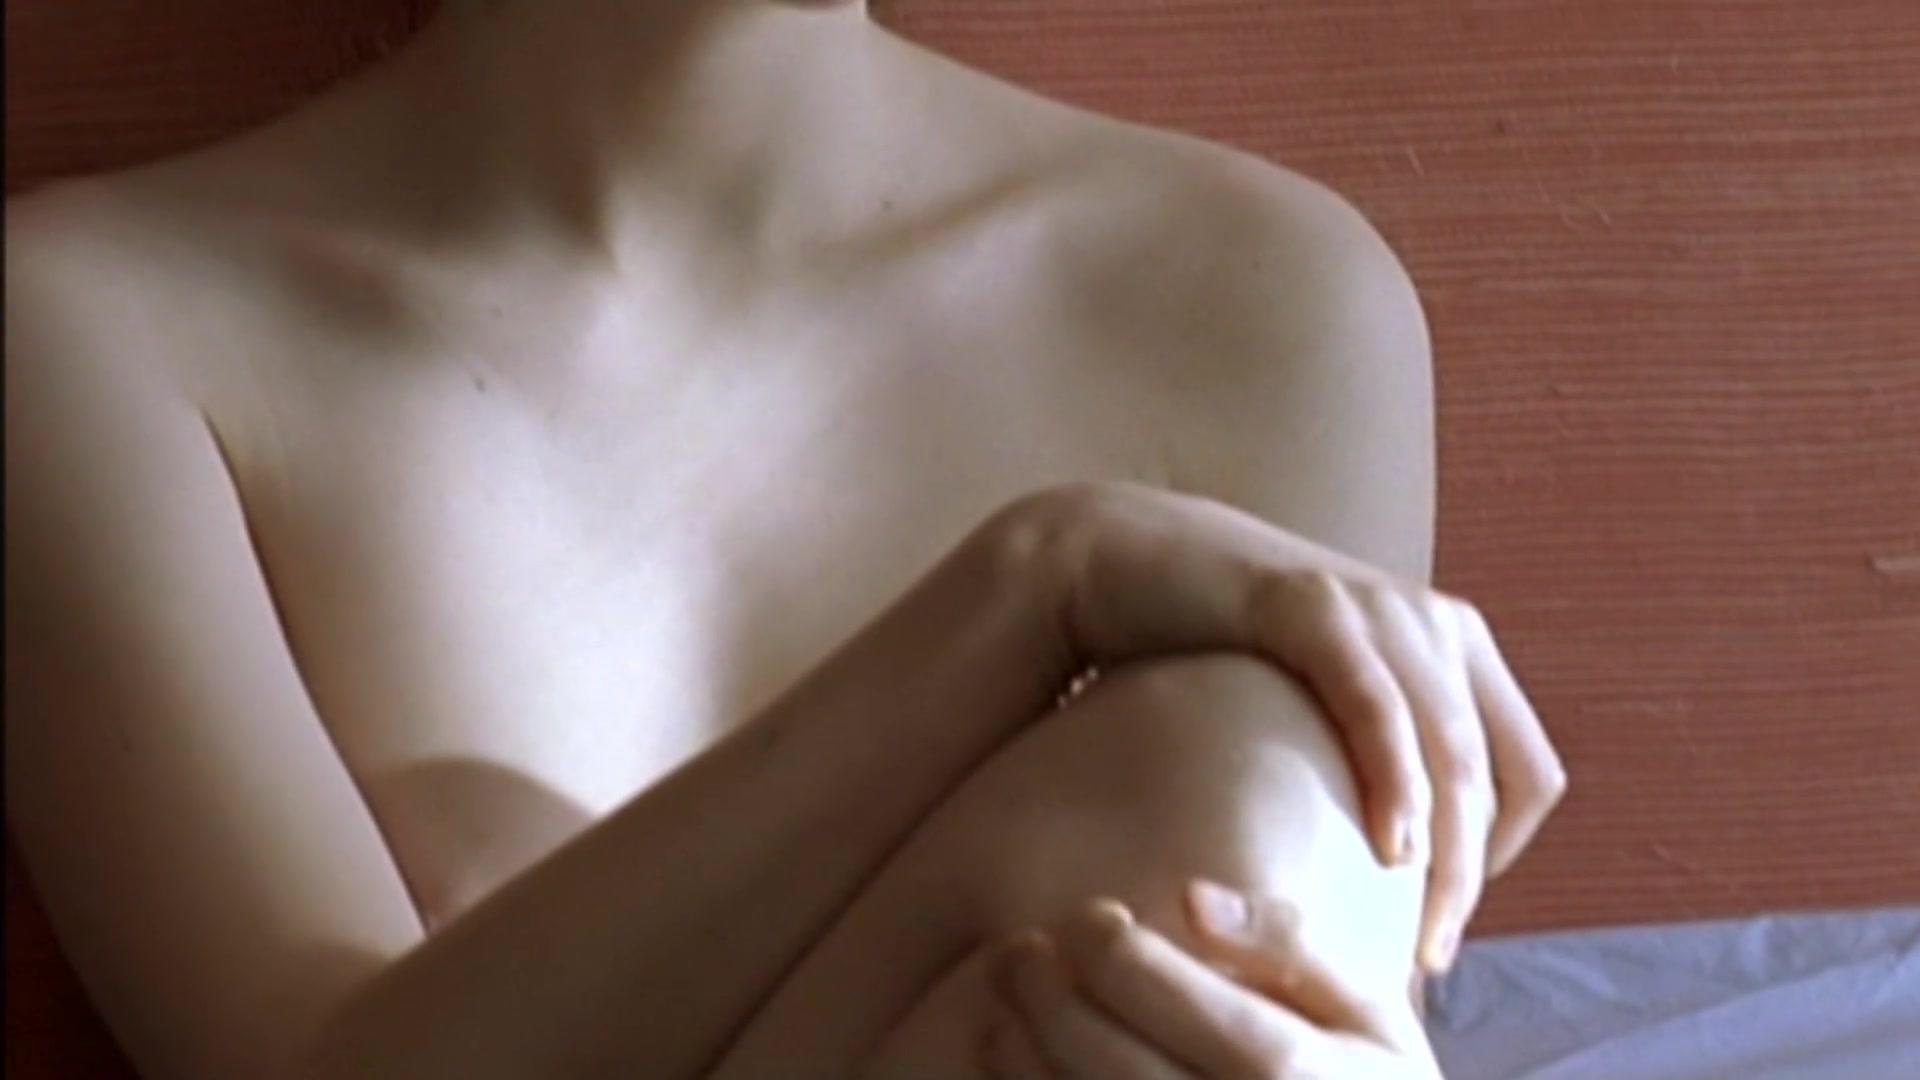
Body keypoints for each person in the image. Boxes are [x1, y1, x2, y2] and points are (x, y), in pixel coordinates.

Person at [3, 0, 1567, 1076]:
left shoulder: (1262, 298)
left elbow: (1301, 990)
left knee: (1198, 773)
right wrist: (1032, 589)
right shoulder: (95, 331)